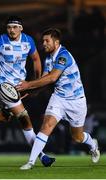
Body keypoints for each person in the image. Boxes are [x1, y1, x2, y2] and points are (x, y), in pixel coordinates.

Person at [0, 16, 55, 167]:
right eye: (9, 27)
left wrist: (34, 83)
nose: (11, 30)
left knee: (3, 116)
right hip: (4, 86)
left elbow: (35, 59)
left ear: (21, 28)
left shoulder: (28, 41)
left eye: (15, 27)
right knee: (23, 117)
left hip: (20, 86)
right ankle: (41, 156)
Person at [16, 28, 100, 170]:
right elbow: (44, 79)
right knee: (46, 125)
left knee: (77, 137)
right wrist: (32, 91)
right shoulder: (48, 58)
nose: (44, 43)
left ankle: (92, 144)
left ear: (56, 42)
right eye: (43, 41)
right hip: (59, 98)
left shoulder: (63, 56)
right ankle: (30, 162)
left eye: (47, 41)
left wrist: (28, 84)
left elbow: (53, 77)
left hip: (76, 101)